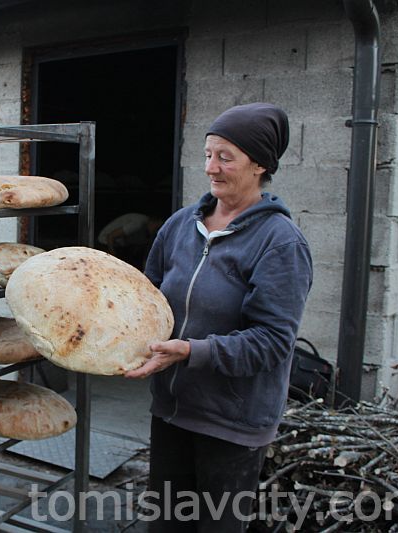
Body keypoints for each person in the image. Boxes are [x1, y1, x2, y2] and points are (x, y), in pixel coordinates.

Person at [126, 103, 313, 532]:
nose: (211, 167)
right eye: (208, 153)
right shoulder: (180, 225)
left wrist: (193, 351)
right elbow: (147, 299)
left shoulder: (280, 242)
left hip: (232, 423)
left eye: (225, 157)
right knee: (167, 526)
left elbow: (272, 341)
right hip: (173, 410)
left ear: (260, 164)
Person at [97, 212, 163, 268]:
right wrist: (113, 257)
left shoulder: (144, 226)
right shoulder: (137, 224)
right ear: (153, 221)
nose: (156, 231)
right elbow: (110, 236)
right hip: (105, 242)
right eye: (156, 228)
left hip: (117, 244)